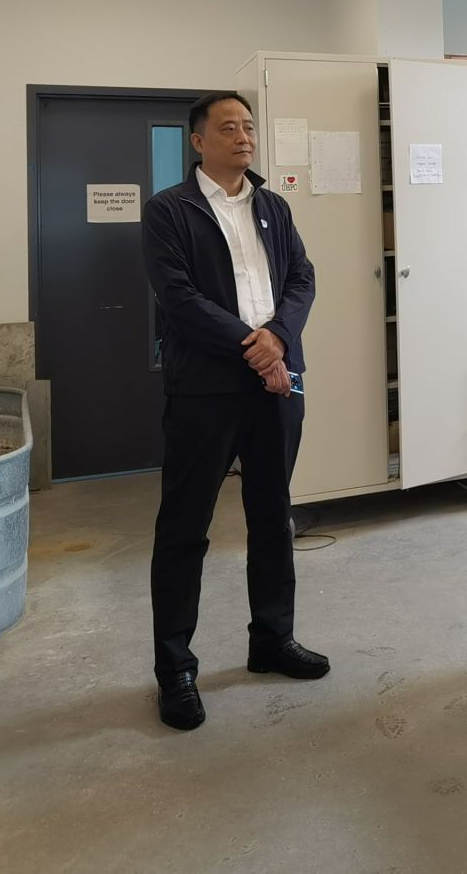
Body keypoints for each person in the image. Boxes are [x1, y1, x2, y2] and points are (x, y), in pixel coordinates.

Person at [141, 90, 327, 733]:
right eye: (228, 128)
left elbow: (302, 278)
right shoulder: (170, 210)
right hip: (206, 389)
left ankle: (272, 640)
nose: (243, 136)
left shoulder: (273, 206)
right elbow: (178, 298)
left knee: (273, 515)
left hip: (277, 383)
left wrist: (279, 336)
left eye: (248, 126)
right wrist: (255, 346)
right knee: (185, 527)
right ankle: (175, 669)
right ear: (199, 141)